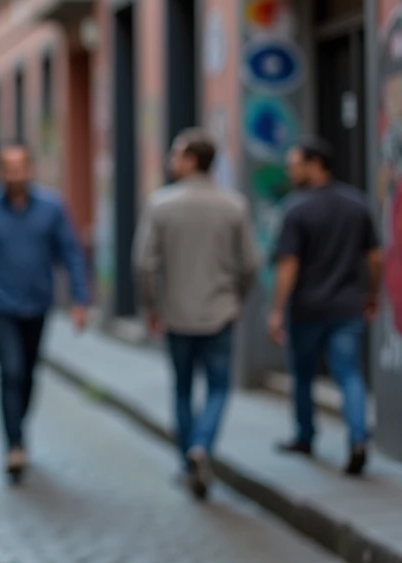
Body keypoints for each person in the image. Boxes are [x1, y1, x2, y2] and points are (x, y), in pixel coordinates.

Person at [133, 129, 259, 499]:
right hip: (221, 312)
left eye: (176, 154)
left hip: (177, 314)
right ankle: (202, 445)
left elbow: (143, 263)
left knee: (183, 388)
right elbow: (251, 263)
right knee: (219, 387)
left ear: (192, 161)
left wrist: (152, 306)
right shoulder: (234, 205)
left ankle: (189, 459)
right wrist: (237, 299)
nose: (171, 161)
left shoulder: (161, 204)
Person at [0, 142, 90, 482]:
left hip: (38, 304)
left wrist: (80, 299)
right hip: (1, 305)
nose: (15, 173)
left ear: (29, 169)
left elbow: (71, 253)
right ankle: (14, 445)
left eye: (20, 166)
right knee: (11, 371)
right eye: (8, 167)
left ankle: (19, 429)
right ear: (1, 171)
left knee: (29, 374)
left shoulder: (51, 208)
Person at [268, 137, 381, 476]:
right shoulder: (356, 202)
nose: (290, 171)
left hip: (306, 309)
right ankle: (358, 438)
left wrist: (276, 309)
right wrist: (371, 294)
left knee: (303, 376)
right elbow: (375, 258)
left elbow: (288, 264)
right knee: (349, 375)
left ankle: (305, 436)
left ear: (316, 164)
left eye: (294, 164)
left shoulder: (295, 207)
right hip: (347, 306)